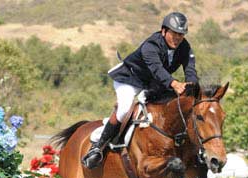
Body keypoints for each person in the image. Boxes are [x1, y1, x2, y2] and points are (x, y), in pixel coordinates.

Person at [82, 11, 199, 169]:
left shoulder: (184, 47)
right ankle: (98, 146)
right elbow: (157, 69)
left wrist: (192, 88)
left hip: (153, 84)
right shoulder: (150, 46)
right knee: (124, 109)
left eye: (181, 34)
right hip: (130, 79)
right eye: (174, 34)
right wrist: (175, 83)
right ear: (163, 31)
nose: (178, 38)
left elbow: (190, 70)